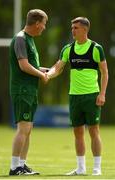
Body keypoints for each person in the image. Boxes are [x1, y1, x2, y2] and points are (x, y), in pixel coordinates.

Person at [46, 17, 108, 176]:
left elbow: (105, 72)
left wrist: (102, 94)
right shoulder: (68, 49)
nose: (72, 30)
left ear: (85, 30)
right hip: (74, 97)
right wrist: (47, 75)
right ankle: (80, 169)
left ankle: (97, 168)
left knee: (94, 131)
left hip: (91, 96)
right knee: (78, 133)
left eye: (76, 28)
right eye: (72, 27)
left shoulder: (96, 48)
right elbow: (57, 67)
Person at [9, 9, 49, 175]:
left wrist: (45, 70)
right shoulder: (20, 39)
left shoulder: (30, 40)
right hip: (22, 89)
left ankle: (22, 164)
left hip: (30, 90)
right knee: (23, 128)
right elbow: (23, 66)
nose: (44, 28)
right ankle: (14, 167)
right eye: (44, 24)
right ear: (37, 23)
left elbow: (30, 65)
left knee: (28, 129)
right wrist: (42, 75)